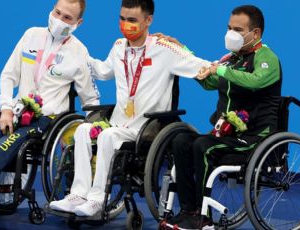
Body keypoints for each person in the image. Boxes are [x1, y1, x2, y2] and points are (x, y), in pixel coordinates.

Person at [0, 0, 100, 222]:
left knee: (1, 149)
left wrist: (94, 129)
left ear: (78, 23)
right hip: (17, 111)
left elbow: (90, 97)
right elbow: (8, 75)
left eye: (67, 18)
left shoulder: (79, 53)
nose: (59, 20)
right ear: (51, 10)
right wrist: (5, 108)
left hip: (47, 119)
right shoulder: (31, 35)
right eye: (57, 13)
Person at [50, 0, 212, 217]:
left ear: (148, 20)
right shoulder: (118, 47)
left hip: (147, 128)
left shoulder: (165, 50)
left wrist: (194, 53)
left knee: (107, 137)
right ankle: (78, 194)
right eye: (123, 19)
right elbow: (103, 71)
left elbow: (202, 66)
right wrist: (78, 54)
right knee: (82, 130)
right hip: (118, 123)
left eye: (133, 20)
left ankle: (97, 200)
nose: (126, 24)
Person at [164, 5, 282, 230]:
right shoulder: (231, 58)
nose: (231, 34)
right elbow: (209, 80)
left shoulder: (267, 58)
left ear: (255, 33)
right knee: (180, 141)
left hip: (253, 137)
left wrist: (219, 70)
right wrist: (182, 52)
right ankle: (188, 209)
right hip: (224, 133)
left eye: (238, 29)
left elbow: (255, 81)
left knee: (202, 145)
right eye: (229, 27)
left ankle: (203, 215)